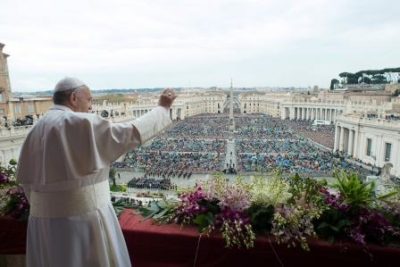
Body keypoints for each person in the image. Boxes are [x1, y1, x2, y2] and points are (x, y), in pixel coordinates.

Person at [16, 77, 176, 267]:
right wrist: (162, 108)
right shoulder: (79, 122)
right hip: (83, 222)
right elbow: (128, 133)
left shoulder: (35, 130)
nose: (91, 107)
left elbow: (27, 185)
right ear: (74, 98)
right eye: (90, 100)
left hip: (42, 226)